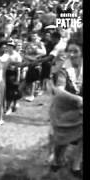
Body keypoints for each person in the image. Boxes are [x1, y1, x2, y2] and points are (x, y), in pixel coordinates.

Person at [49, 34, 83, 178]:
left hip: (80, 110)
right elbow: (59, 91)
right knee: (60, 140)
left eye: (75, 51)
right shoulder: (64, 67)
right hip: (63, 109)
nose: (72, 54)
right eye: (70, 51)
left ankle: (76, 164)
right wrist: (78, 99)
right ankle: (57, 159)